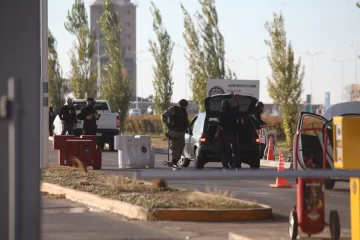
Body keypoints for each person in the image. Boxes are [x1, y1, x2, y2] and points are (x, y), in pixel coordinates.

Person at [162, 99, 190, 170]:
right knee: (174, 146)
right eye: (183, 105)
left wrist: (189, 129)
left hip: (181, 132)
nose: (184, 107)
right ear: (180, 104)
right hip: (173, 131)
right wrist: (167, 124)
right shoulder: (173, 109)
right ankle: (174, 163)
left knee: (181, 146)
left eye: (185, 106)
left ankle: (174, 161)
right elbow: (163, 115)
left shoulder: (184, 111)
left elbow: (186, 121)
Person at [216, 95, 241, 170]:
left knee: (225, 150)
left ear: (223, 105)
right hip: (234, 133)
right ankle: (237, 166)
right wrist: (236, 99)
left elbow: (220, 125)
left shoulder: (222, 112)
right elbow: (238, 105)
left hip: (225, 134)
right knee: (236, 150)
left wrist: (217, 133)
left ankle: (225, 166)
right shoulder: (234, 110)